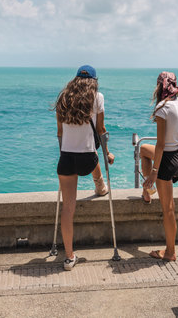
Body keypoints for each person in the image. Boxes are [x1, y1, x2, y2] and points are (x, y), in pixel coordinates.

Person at [54, 65, 115, 270]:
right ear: (94, 81)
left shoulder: (63, 97)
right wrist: (107, 153)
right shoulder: (98, 97)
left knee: (68, 208)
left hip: (67, 158)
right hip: (88, 158)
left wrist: (63, 152)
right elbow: (101, 130)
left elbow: (60, 133)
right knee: (95, 156)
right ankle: (100, 187)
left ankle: (69, 257)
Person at [142, 71, 178, 261]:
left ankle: (170, 252)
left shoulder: (163, 108)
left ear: (160, 86)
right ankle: (147, 192)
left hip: (166, 159)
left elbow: (161, 144)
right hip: (177, 155)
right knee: (144, 149)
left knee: (168, 209)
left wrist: (154, 173)